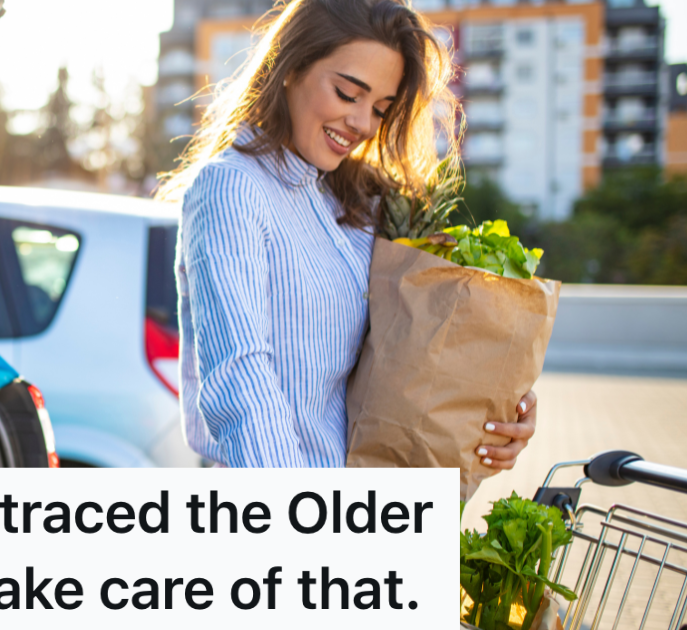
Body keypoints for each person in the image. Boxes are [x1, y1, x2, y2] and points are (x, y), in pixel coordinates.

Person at [158, 0, 537, 468]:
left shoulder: (354, 203)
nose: (362, 124)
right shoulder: (233, 187)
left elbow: (407, 353)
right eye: (346, 93)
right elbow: (239, 379)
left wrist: (496, 406)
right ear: (291, 68)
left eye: (380, 108)